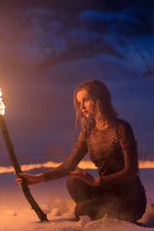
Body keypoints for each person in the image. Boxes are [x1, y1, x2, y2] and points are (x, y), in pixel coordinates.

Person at [17, 79, 146, 222]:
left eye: (86, 100)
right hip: (106, 192)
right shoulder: (89, 131)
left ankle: (98, 211)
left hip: (129, 199)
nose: (82, 106)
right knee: (74, 180)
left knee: (81, 210)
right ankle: (97, 210)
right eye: (79, 102)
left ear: (99, 99)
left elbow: (131, 171)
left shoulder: (121, 128)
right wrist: (39, 178)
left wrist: (96, 181)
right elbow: (69, 165)